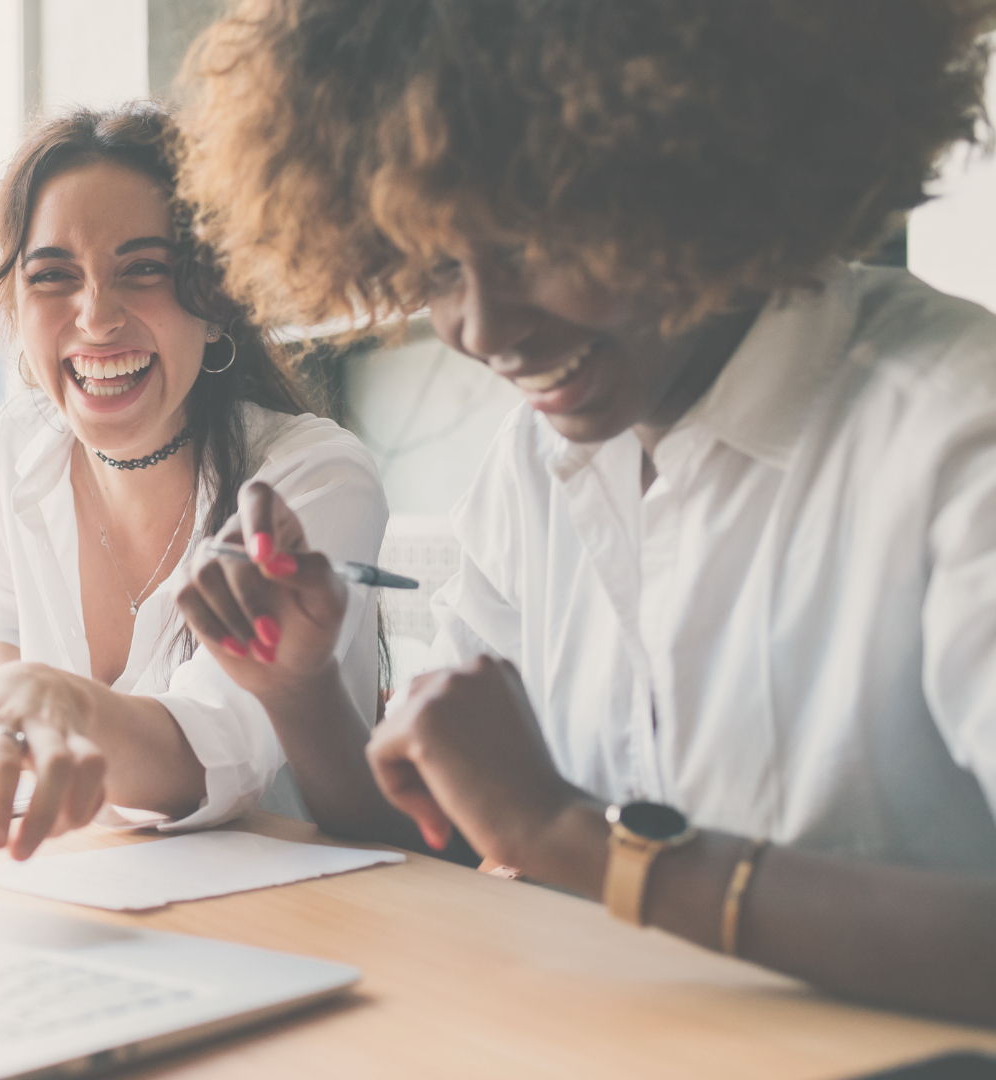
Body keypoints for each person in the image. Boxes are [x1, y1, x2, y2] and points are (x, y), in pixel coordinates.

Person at [171, 0, 996, 1022]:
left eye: (530, 243)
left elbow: (540, 829)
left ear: (698, 177)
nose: (481, 329)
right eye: (439, 267)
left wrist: (579, 840)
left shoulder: (959, 431)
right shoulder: (534, 461)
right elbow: (447, 827)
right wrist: (299, 690)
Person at [0, 104, 388, 860]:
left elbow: (217, 753)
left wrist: (56, 706)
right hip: (85, 876)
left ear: (216, 302)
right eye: (53, 276)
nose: (97, 318)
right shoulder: (21, 437)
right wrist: (1, 704)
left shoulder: (314, 479)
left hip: (290, 900)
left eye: (144, 269)